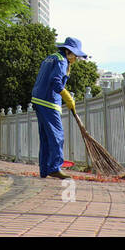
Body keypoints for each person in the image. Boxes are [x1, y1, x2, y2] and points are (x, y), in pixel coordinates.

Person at [31, 36, 87, 179]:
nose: (76, 59)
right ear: (69, 52)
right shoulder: (62, 61)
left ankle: (44, 170)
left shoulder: (50, 57)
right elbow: (55, 81)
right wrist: (67, 96)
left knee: (45, 137)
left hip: (38, 98)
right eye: (75, 55)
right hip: (48, 101)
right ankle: (55, 167)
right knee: (57, 135)